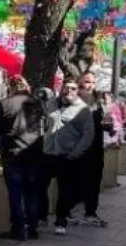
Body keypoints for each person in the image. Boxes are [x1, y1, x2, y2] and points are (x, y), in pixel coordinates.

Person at [0, 75, 45, 240]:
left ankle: (18, 229)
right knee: (32, 192)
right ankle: (33, 227)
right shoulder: (37, 104)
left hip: (13, 153)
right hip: (34, 153)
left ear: (11, 87)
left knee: (16, 194)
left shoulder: (5, 104)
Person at [43, 79, 94, 235]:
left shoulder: (83, 110)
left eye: (72, 89)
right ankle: (41, 215)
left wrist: (75, 153)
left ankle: (61, 220)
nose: (69, 91)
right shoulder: (52, 103)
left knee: (65, 190)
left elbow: (88, 134)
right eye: (66, 88)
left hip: (67, 155)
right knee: (39, 185)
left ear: (77, 91)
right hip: (49, 152)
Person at [75, 72, 112, 226]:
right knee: (75, 180)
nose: (90, 85)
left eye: (92, 82)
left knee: (94, 181)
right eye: (87, 82)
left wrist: (108, 125)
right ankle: (68, 211)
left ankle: (91, 212)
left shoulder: (100, 103)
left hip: (95, 148)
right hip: (76, 148)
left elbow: (108, 126)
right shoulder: (72, 101)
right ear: (79, 84)